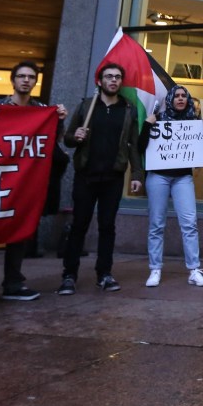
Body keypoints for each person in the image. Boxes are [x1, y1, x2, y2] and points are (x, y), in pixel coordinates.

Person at [0, 61, 68, 311]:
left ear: (35, 81)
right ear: (13, 80)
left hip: (25, 183)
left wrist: (58, 120)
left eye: (30, 77)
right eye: (21, 76)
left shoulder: (42, 110)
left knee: (19, 233)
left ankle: (13, 284)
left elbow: (50, 143)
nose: (26, 80)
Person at [59, 63, 142, 295]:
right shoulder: (86, 106)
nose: (113, 80)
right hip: (86, 175)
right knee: (79, 226)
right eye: (108, 77)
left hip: (113, 177)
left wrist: (136, 173)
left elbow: (133, 144)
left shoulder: (128, 109)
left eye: (117, 77)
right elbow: (66, 139)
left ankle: (104, 274)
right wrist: (75, 136)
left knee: (108, 227)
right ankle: (69, 275)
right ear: (100, 81)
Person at [140, 85, 203, 288]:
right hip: (158, 177)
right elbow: (140, 147)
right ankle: (155, 269)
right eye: (177, 96)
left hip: (182, 178)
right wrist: (147, 125)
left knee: (190, 223)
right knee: (156, 224)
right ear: (170, 99)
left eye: (184, 96)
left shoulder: (195, 122)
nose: (180, 99)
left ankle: (194, 270)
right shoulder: (159, 118)